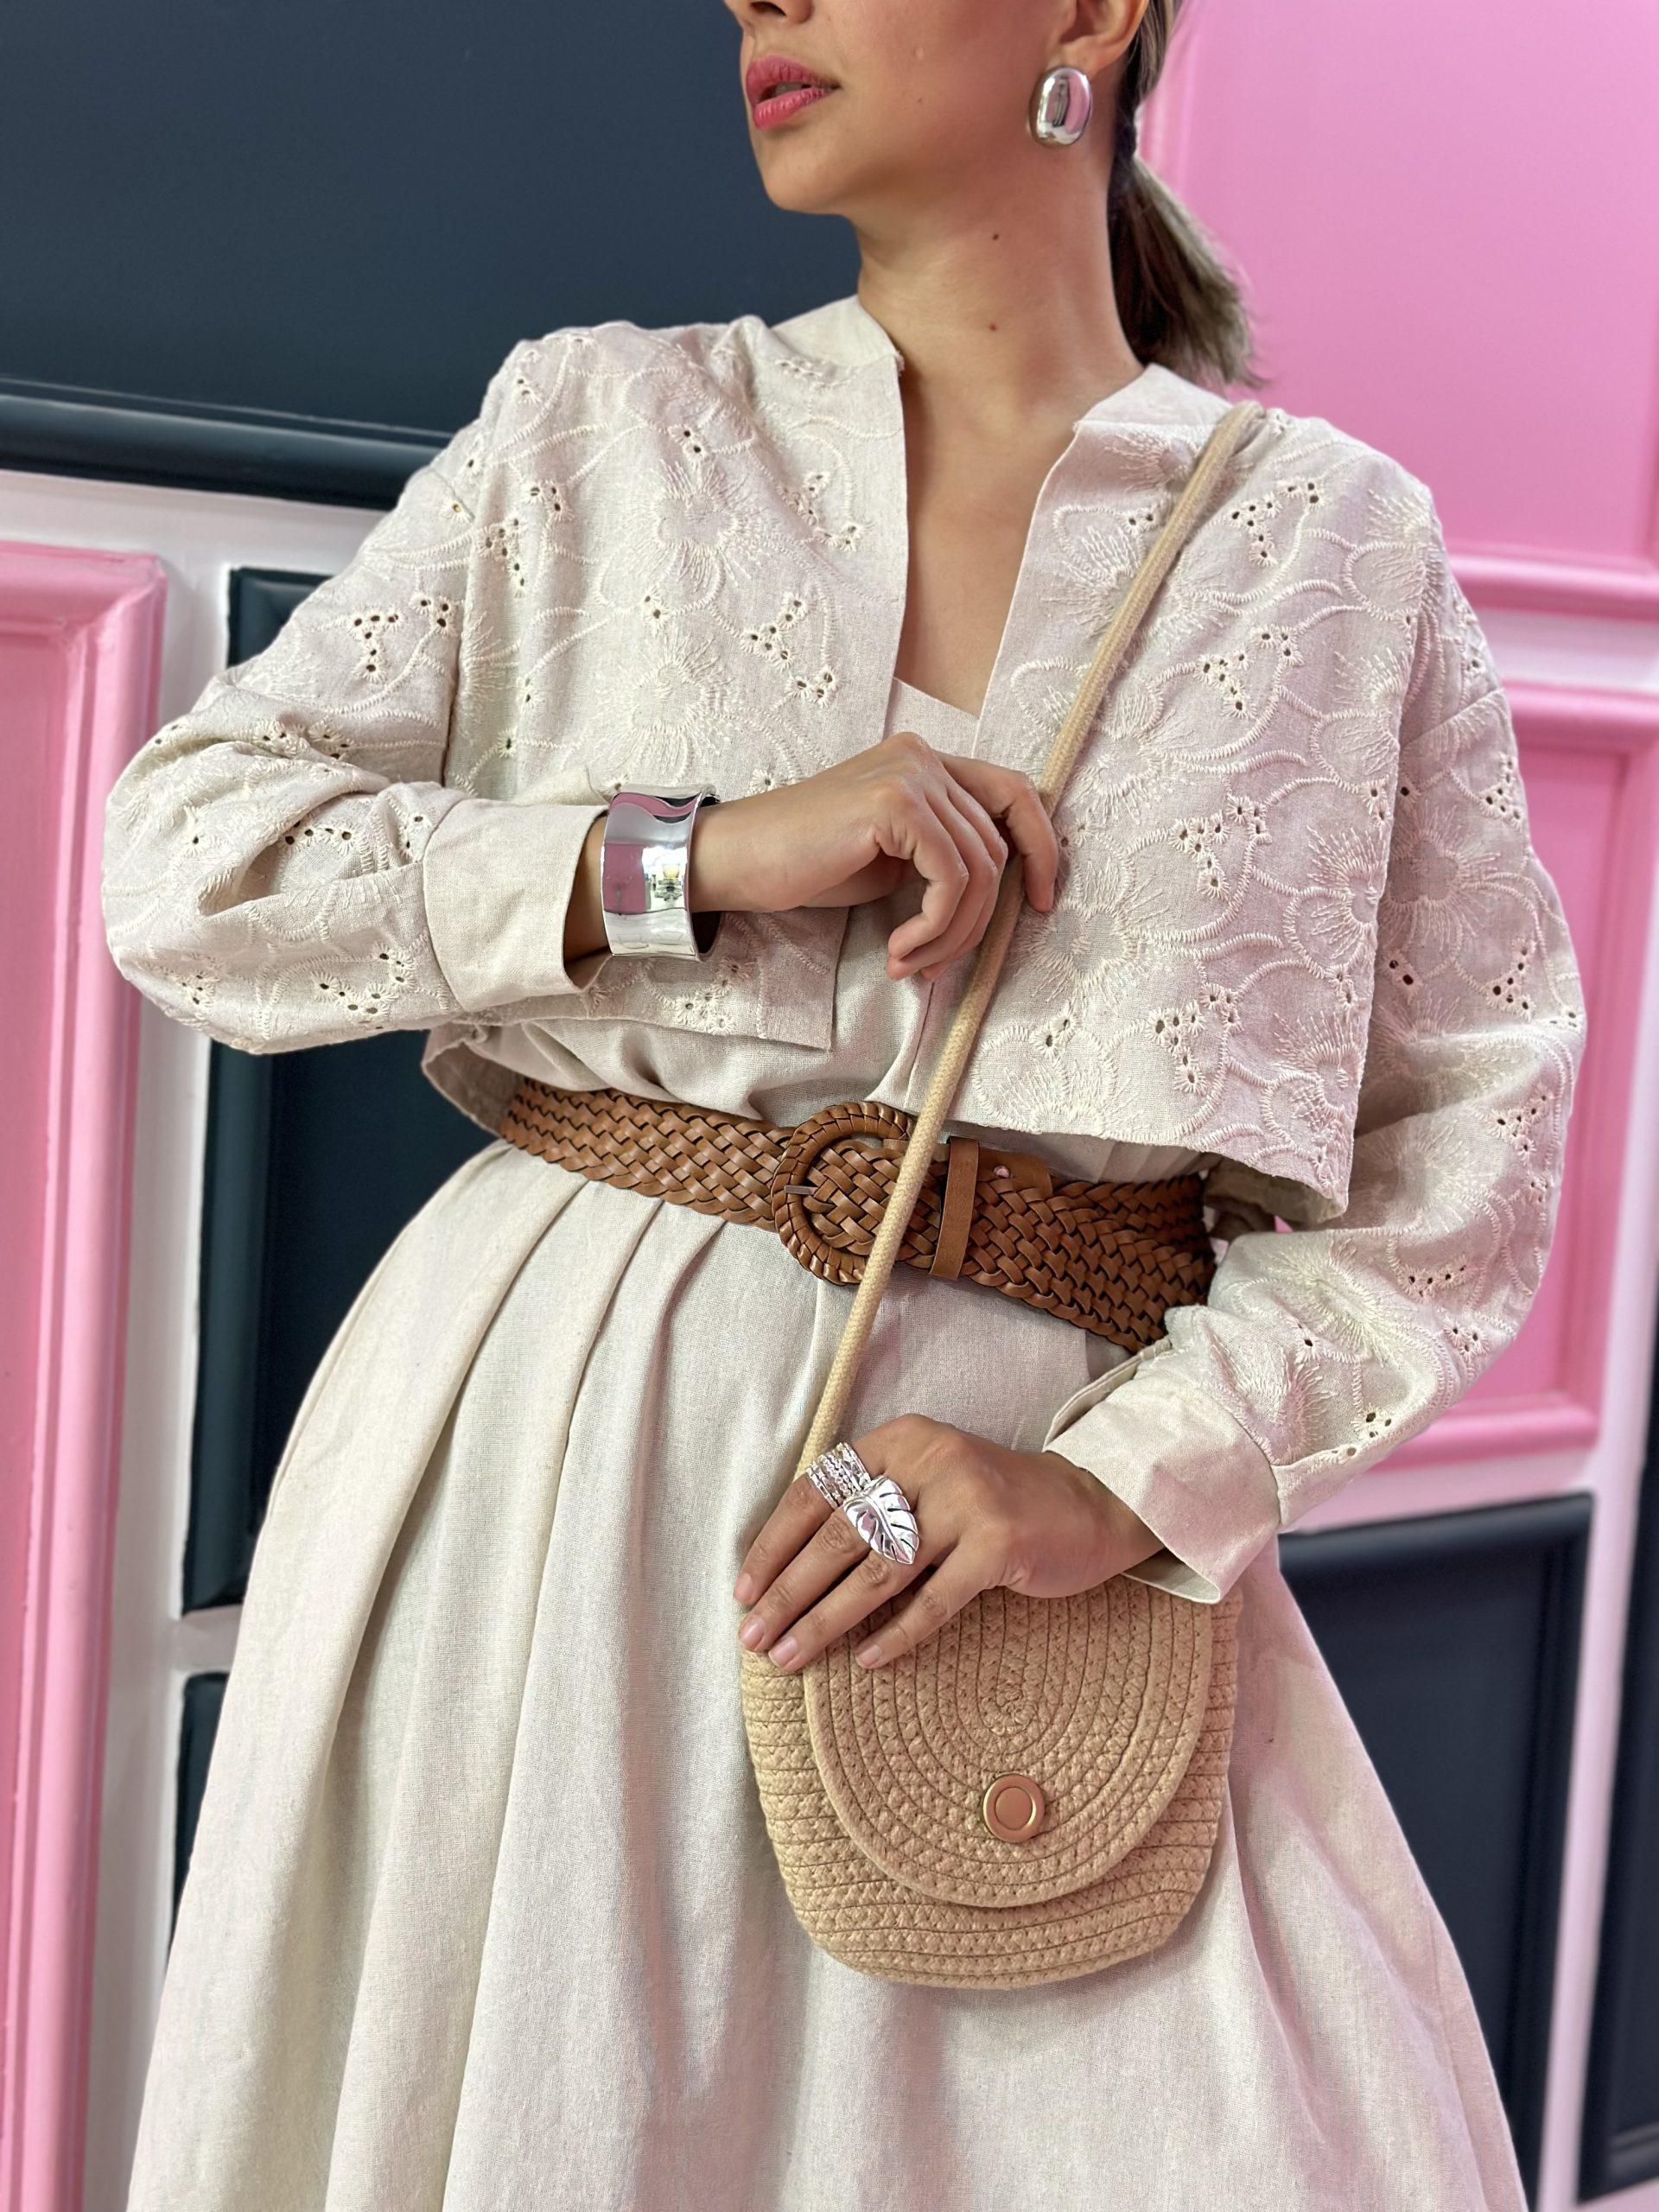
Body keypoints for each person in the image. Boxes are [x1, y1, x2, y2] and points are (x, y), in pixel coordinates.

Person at [101, 0, 1586, 2204]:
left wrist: (1116, 1483)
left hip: (1051, 1548)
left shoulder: (1334, 549)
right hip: (555, 1487)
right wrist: (689, 852)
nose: (758, 3)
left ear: (1092, 14)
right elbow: (186, 864)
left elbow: (1465, 1146)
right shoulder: (604, 427)